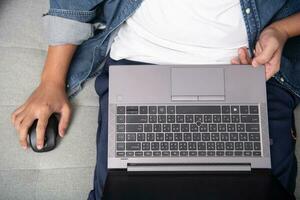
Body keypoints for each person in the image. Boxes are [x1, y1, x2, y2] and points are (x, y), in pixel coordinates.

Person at [11, 0, 300, 199]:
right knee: (123, 189)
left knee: (261, 188)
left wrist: (282, 30)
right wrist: (51, 80)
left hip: (252, 71)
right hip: (141, 65)